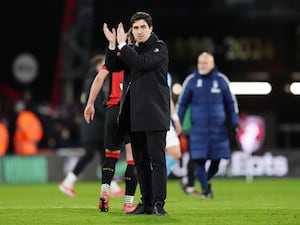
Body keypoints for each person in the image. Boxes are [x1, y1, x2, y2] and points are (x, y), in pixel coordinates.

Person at [102, 11, 170, 215]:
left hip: (155, 114)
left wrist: (123, 47)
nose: (139, 32)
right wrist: (113, 45)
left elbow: (141, 63)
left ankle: (159, 204)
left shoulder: (160, 48)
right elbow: (113, 66)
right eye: (136, 28)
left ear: (151, 28)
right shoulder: (131, 50)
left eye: (143, 27)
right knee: (140, 162)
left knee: (157, 161)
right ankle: (147, 204)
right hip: (135, 116)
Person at [84, 32, 138, 213]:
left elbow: (99, 79)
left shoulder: (113, 60)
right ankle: (127, 203)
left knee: (111, 155)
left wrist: (90, 104)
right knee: (133, 159)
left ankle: (104, 194)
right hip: (130, 109)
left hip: (112, 110)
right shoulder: (138, 59)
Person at [59, 55, 125, 199]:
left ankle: (111, 186)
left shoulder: (89, 80)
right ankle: (68, 182)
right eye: (104, 63)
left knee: (103, 156)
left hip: (93, 127)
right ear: (98, 66)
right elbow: (95, 105)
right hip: (94, 127)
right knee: (93, 155)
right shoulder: (94, 81)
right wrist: (112, 113)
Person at [177, 52, 239, 199]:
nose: (202, 66)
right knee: (198, 159)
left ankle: (205, 179)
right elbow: (182, 103)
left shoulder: (222, 80)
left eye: (205, 63)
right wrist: (177, 121)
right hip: (198, 129)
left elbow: (231, 103)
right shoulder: (191, 81)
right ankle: (206, 189)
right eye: (200, 63)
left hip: (219, 129)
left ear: (212, 64)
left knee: (217, 161)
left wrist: (234, 121)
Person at [165, 72, 182, 176]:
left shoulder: (166, 74)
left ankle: (156, 182)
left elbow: (168, 97)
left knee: (175, 152)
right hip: (148, 118)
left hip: (165, 120)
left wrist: (175, 119)